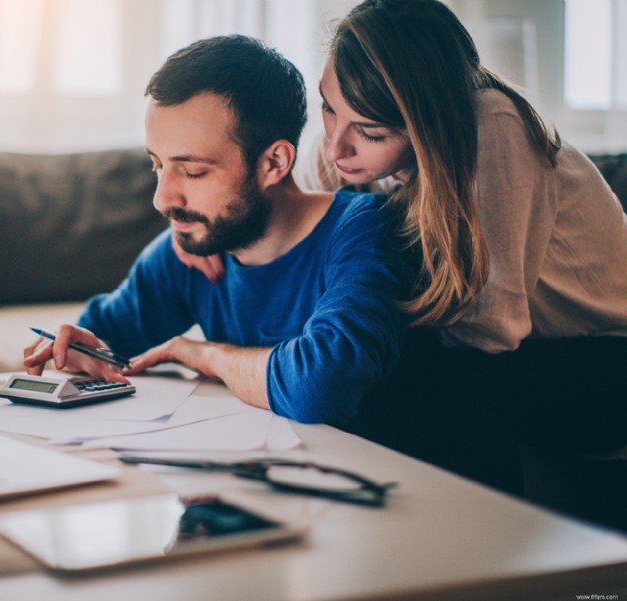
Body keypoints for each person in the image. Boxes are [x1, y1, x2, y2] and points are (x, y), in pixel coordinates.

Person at [175, 0, 627, 497]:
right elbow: (280, 197)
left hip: (603, 355)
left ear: (426, 125)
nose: (336, 148)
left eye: (370, 132)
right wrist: (201, 225)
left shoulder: (494, 129)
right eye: (329, 108)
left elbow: (491, 330)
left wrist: (342, 344)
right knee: (354, 356)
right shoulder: (350, 140)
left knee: (400, 370)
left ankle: (478, 549)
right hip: (521, 354)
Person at [23, 34, 411, 427]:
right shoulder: (194, 248)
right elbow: (104, 335)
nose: (162, 199)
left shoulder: (366, 230)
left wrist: (205, 354)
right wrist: (80, 348)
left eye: (193, 171)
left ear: (274, 163)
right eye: (157, 165)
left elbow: (320, 389)